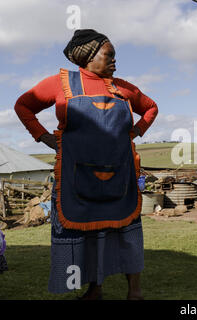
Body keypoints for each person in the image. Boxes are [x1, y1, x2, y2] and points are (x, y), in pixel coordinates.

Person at [14, 29, 158, 299]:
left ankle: (135, 291)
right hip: (77, 175)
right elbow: (23, 105)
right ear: (89, 56)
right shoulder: (61, 83)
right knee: (91, 236)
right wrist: (44, 137)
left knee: (127, 232)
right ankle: (95, 288)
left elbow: (151, 107)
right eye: (109, 55)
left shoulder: (122, 88)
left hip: (120, 175)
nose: (115, 61)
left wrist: (135, 132)